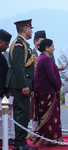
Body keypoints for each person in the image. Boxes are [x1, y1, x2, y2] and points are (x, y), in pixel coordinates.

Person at [5, 19, 38, 150]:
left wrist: (31, 86)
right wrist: (24, 85)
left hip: (23, 83)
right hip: (20, 84)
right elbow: (19, 67)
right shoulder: (19, 44)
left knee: (23, 113)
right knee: (22, 113)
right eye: (30, 29)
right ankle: (20, 143)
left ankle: (21, 143)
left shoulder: (24, 44)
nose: (31, 31)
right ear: (25, 30)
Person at [29, 39, 63, 147]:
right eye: (52, 46)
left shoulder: (40, 58)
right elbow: (51, 76)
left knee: (45, 116)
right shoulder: (46, 59)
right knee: (50, 117)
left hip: (41, 91)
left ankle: (44, 139)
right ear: (46, 48)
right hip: (47, 91)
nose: (53, 48)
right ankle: (49, 141)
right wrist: (57, 88)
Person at [0, 29, 15, 146]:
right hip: (2, 93)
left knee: (8, 116)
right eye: (5, 44)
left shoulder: (3, 55)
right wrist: (3, 92)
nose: (7, 46)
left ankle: (7, 137)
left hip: (5, 92)